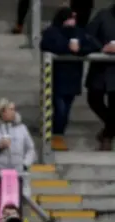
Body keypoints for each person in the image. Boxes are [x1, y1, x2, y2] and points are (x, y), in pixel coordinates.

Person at [40, 7, 101, 151]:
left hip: (73, 78)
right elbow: (46, 45)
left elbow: (93, 45)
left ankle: (58, 135)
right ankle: (55, 135)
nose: (72, 21)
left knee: (66, 110)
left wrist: (79, 48)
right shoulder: (52, 31)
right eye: (70, 18)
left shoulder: (79, 32)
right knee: (59, 109)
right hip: (56, 77)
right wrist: (68, 47)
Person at [85, 3, 115, 151]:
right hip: (100, 68)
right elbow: (89, 34)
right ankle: (109, 131)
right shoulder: (103, 15)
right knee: (93, 99)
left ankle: (107, 136)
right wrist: (102, 47)